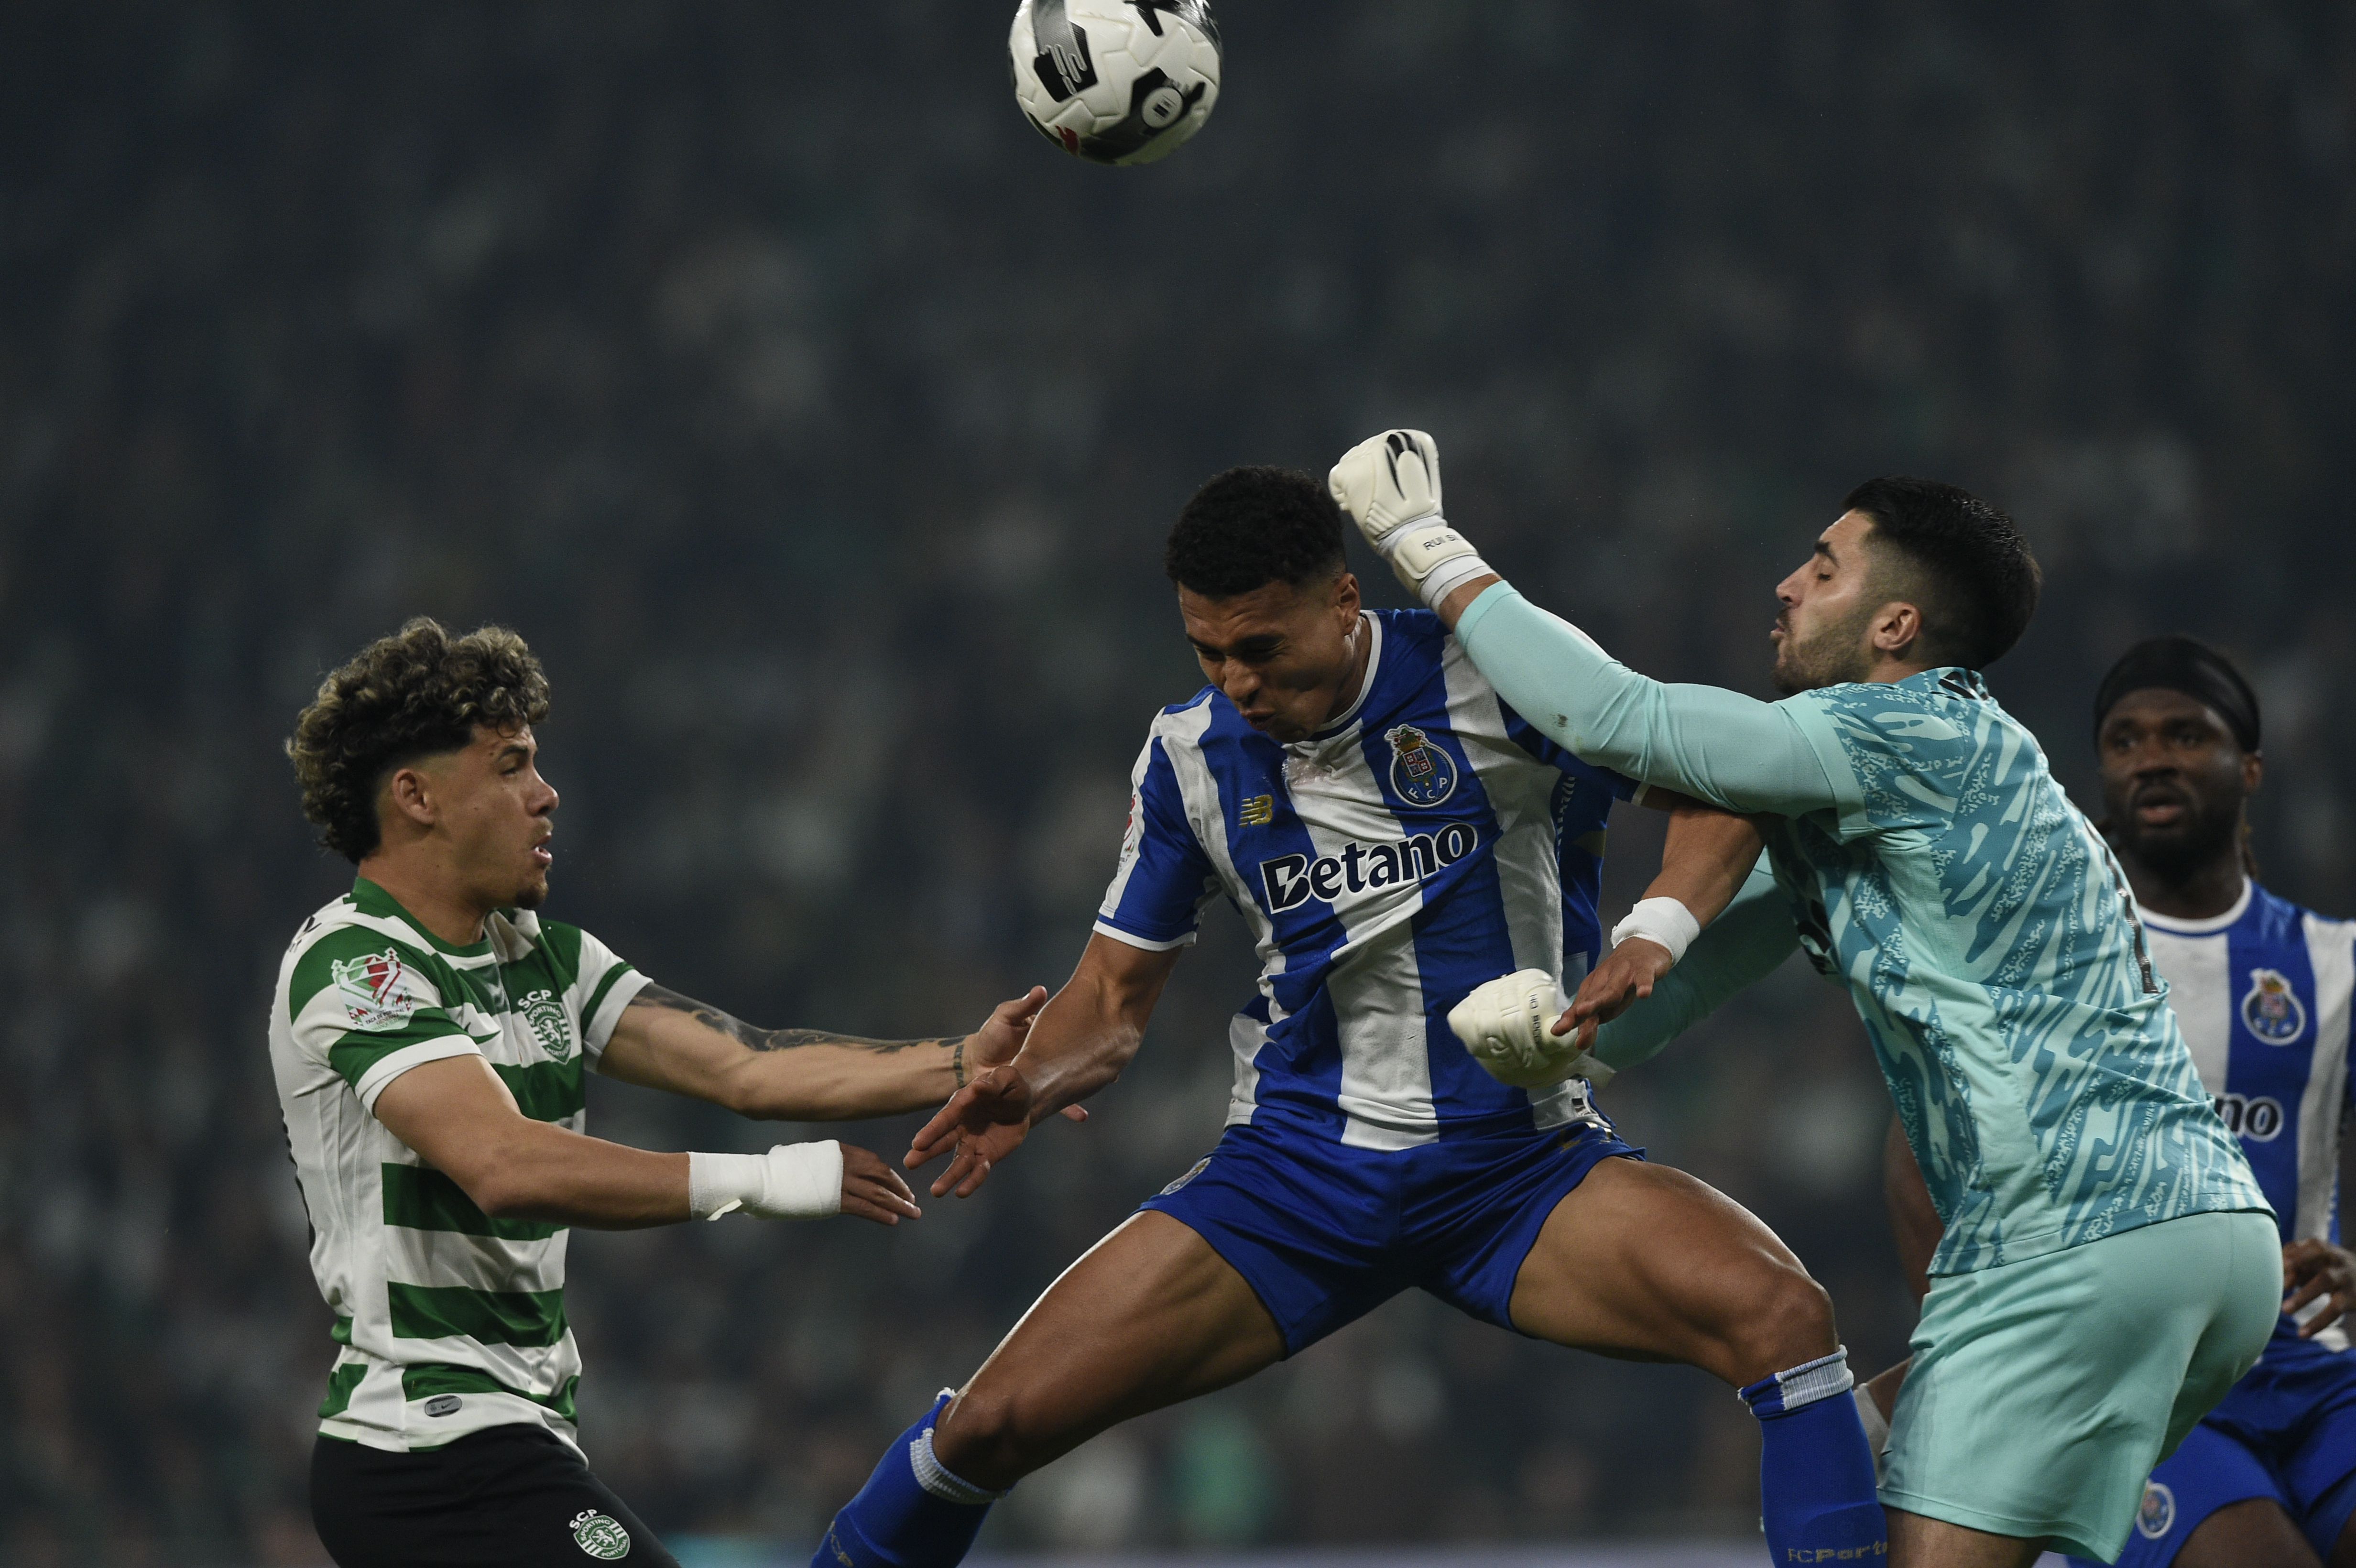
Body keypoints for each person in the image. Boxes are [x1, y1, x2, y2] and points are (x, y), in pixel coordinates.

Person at [809, 465, 1887, 1568]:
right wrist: (1032, 1080)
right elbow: (1109, 1002)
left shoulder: (1493, 676)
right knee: (983, 1427)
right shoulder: (1190, 756)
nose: (1234, 681)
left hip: (1517, 1170)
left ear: (1341, 602)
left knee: (1784, 1318)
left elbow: (1720, 782)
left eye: (1260, 648)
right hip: (1292, 1179)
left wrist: (1653, 929)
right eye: (1206, 651)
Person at [1329, 429, 2278, 1568]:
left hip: (2071, 1235)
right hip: (2200, 1235)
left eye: (1823, 566)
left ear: (1895, 626)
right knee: (1844, 1467)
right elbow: (1683, 985)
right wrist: (1563, 1044)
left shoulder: (1914, 729)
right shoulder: (1919, 789)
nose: (1786, 583)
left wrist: (1426, 550)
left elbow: (1623, 720)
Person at [274, 618, 1052, 1568]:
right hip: (423, 1446)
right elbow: (505, 1163)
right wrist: (774, 1182)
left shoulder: (545, 958)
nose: (546, 793)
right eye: (512, 765)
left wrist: (965, 1061)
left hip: (513, 1434)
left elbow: (749, 1065)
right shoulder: (355, 963)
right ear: (417, 795)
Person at [1866, 637, 2356, 1568]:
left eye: (2183, 733)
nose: (2152, 757)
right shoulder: (2049, 955)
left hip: (2318, 1370)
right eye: (2125, 740)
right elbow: (1911, 1150)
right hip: (2141, 1381)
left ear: (2248, 766)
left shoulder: (2334, 963)